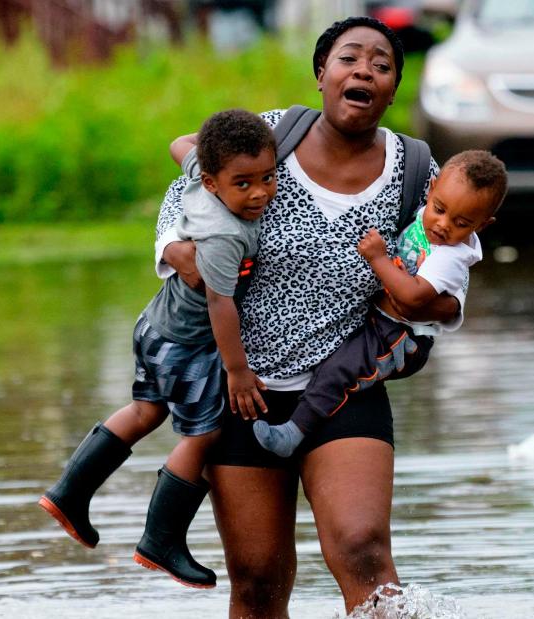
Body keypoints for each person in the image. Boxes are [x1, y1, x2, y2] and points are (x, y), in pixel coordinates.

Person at [156, 16, 460, 615]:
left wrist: (438, 306)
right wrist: (177, 251)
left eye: (381, 64)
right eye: (349, 58)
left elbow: (451, 260)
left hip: (347, 385)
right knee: (258, 578)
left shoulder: (419, 170)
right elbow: (185, 193)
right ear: (321, 73)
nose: (364, 70)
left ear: (394, 87)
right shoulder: (270, 134)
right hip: (244, 387)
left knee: (363, 549)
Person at [38, 109, 276, 589]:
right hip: (188, 344)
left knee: (146, 410)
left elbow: (178, 143)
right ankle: (161, 540)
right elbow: (219, 303)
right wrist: (237, 371)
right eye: (243, 183)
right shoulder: (225, 234)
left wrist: (207, 151)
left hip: (154, 328)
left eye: (268, 178)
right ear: (212, 184)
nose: (259, 193)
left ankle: (69, 493)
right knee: (203, 435)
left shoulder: (200, 173)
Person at [253, 150, 508, 457]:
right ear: (431, 189)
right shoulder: (422, 217)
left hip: (399, 337)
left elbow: (412, 298)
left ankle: (292, 434)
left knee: (340, 370)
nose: (443, 225)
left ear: (482, 225)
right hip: (380, 322)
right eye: (439, 209)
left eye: (462, 223)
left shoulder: (451, 256)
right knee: (333, 361)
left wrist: (378, 259)